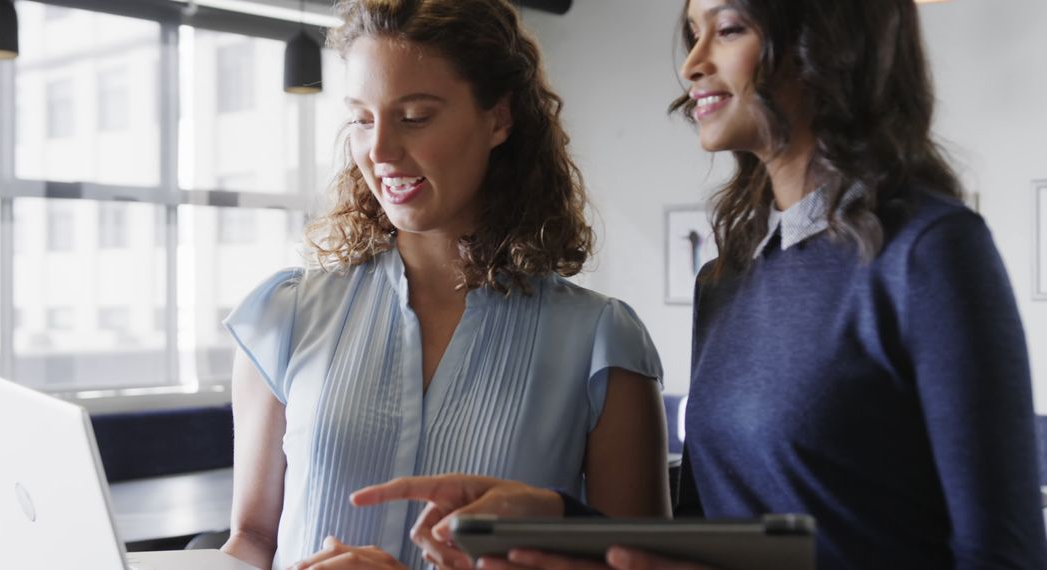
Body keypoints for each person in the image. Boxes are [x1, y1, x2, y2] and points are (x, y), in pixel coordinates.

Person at [351, 0, 1047, 568]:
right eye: (692, 32)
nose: (692, 62)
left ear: (826, 39)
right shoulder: (728, 277)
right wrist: (555, 520)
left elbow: (1002, 554)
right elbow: (701, 543)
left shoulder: (929, 252)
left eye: (729, 28)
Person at [217, 0, 671, 569]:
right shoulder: (285, 315)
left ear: (499, 119)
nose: (379, 151)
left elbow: (643, 565)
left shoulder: (601, 342)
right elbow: (253, 540)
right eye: (361, 118)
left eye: (414, 117)